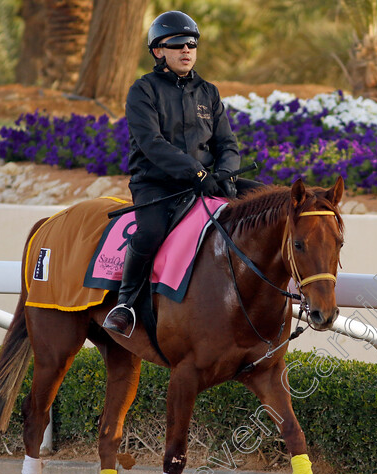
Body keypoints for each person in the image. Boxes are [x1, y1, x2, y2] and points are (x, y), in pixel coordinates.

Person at [103, 10, 260, 335]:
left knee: (270, 202)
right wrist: (196, 173)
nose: (186, 50)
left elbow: (227, 144)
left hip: (206, 182)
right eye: (176, 44)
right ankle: (125, 303)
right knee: (149, 233)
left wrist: (227, 174)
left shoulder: (208, 92)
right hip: (157, 185)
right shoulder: (142, 90)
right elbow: (152, 143)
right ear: (158, 51)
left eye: (191, 44)